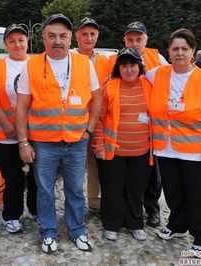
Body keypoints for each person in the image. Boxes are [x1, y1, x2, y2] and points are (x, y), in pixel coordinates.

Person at [14, 13, 102, 253]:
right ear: (43, 38)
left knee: (75, 190)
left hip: (76, 142)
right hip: (43, 143)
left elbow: (97, 99)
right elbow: (21, 107)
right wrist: (23, 143)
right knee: (45, 191)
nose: (57, 41)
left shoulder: (84, 63)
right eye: (51, 35)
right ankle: (49, 232)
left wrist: (89, 131)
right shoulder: (31, 65)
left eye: (63, 36)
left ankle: (77, 230)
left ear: (70, 38)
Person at [145, 28, 201, 255]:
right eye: (175, 48)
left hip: (196, 152)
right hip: (166, 149)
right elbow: (133, 78)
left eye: (184, 49)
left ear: (193, 52)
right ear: (168, 52)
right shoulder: (157, 74)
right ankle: (177, 225)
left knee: (199, 196)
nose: (180, 53)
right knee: (173, 193)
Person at [109, 21, 168, 227]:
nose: (134, 43)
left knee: (153, 176)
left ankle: (152, 209)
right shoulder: (116, 59)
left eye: (138, 39)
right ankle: (127, 212)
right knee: (128, 178)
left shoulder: (158, 59)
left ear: (146, 40)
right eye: (130, 39)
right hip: (123, 131)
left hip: (150, 128)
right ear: (125, 40)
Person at [93, 46, 152, 241]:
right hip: (113, 152)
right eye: (124, 65)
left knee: (136, 190)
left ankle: (135, 223)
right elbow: (99, 119)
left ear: (139, 66)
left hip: (142, 151)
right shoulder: (109, 87)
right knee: (112, 190)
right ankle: (112, 224)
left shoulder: (148, 87)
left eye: (133, 65)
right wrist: (99, 146)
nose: (129, 70)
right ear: (118, 68)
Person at [0, 23, 39, 234]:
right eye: (12, 41)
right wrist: (5, 124)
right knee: (13, 178)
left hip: (37, 133)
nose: (17, 44)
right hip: (8, 134)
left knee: (37, 177)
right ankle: (11, 215)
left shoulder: (39, 64)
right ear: (5, 44)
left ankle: (35, 209)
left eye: (21, 40)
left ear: (27, 42)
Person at [73, 17, 109, 218]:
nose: (88, 38)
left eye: (92, 34)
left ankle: (97, 202)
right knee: (77, 166)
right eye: (84, 34)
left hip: (102, 122)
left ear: (97, 36)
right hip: (77, 122)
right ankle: (80, 203)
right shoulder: (69, 60)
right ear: (77, 36)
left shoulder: (106, 61)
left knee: (98, 164)